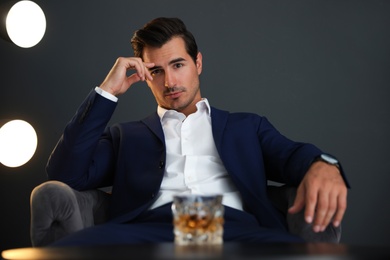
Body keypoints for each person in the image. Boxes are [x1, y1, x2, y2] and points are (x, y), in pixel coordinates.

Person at [46, 17, 349, 245]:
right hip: (147, 229)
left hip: (233, 227)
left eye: (178, 65)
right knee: (68, 250)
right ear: (144, 76)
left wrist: (325, 164)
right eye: (156, 71)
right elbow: (65, 173)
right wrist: (106, 91)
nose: (170, 82)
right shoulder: (127, 136)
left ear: (198, 63)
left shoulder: (247, 127)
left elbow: (292, 154)